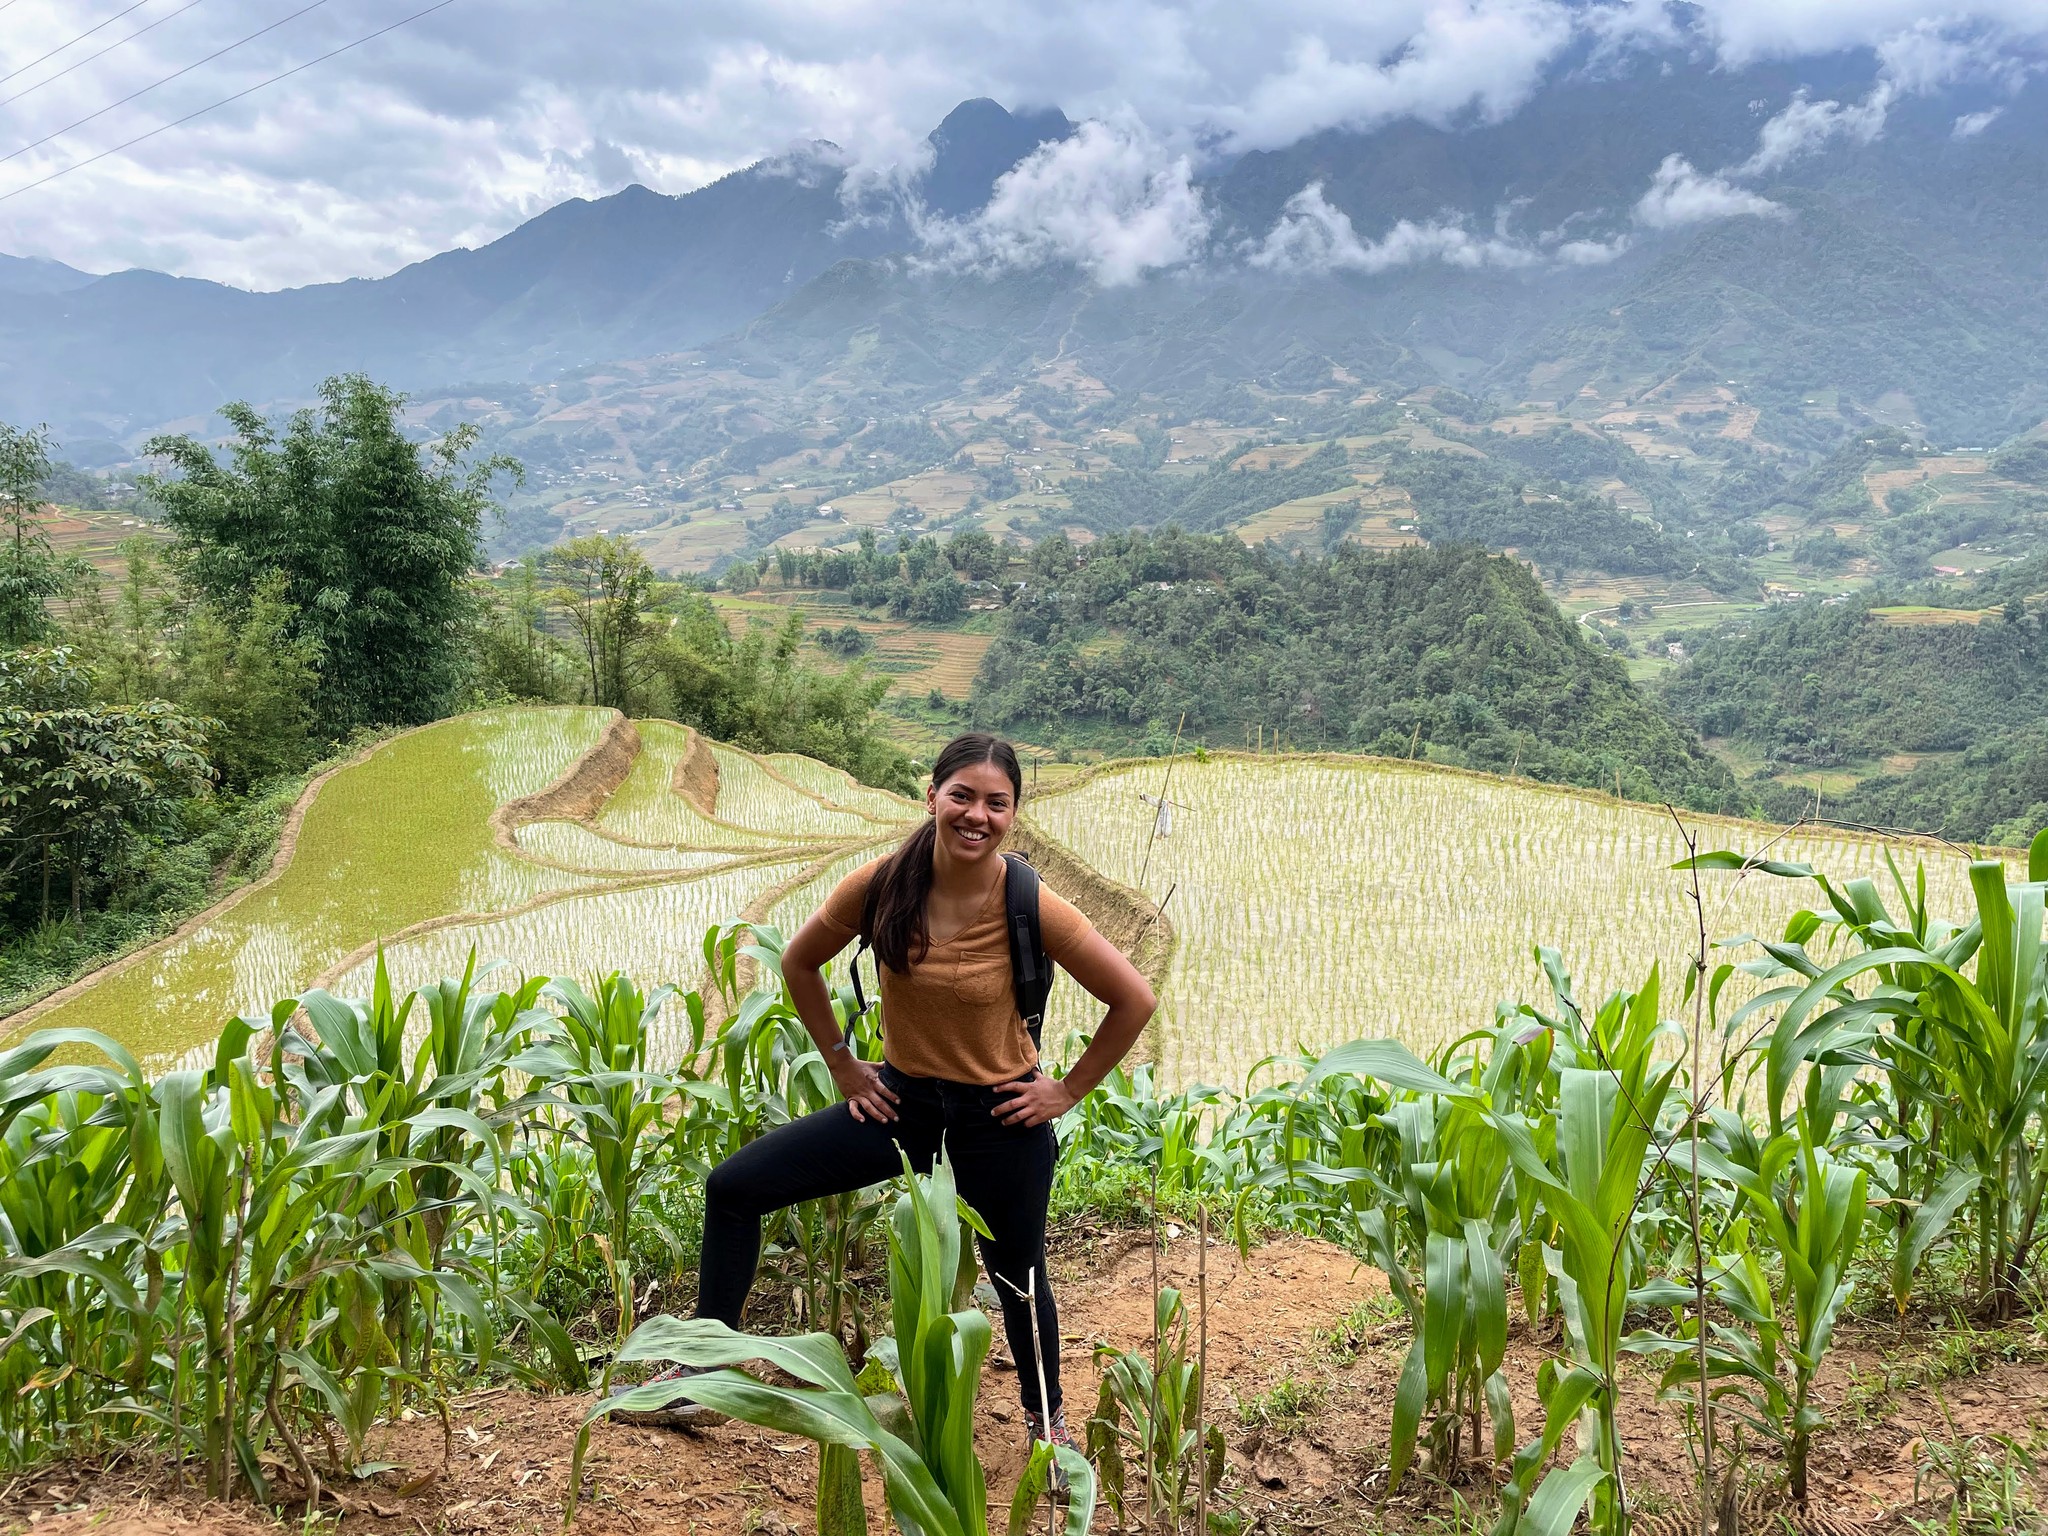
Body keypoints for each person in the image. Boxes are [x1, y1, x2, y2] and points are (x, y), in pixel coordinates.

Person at [614, 732, 1158, 1457]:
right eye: (962, 795)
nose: (977, 815)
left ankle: (1046, 1426)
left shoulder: (1028, 900)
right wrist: (843, 1065)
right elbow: (801, 963)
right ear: (931, 796)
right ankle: (700, 1373)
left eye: (997, 803)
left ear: (1014, 815)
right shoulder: (881, 884)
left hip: (998, 1116)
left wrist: (1065, 1091)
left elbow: (1133, 998)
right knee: (735, 1187)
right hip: (899, 1106)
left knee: (1019, 1275)